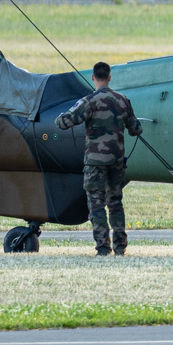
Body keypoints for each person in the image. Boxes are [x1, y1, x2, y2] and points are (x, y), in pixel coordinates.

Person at [56, 61, 142, 256]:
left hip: (95, 163)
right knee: (115, 203)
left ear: (93, 78)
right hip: (117, 162)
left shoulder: (88, 102)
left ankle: (103, 247)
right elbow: (136, 129)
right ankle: (120, 247)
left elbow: (63, 123)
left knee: (96, 204)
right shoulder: (123, 100)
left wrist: (64, 114)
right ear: (109, 78)